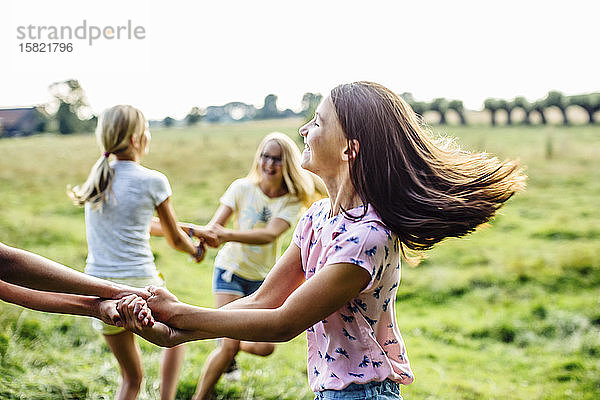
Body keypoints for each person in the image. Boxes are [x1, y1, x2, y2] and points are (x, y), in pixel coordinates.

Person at [117, 82, 527, 400]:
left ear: (350, 149)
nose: (304, 130)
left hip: (364, 393)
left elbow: (284, 322)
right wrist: (178, 324)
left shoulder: (368, 237)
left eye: (317, 121)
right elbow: (264, 300)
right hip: (330, 389)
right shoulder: (317, 217)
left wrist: (183, 319)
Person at [67, 105, 214, 400]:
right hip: (140, 284)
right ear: (136, 139)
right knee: (178, 337)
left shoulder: (98, 179)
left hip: (99, 291)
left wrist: (194, 229)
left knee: (131, 379)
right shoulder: (153, 180)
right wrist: (195, 251)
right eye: (146, 129)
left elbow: (143, 224)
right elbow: (173, 238)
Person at [188, 132, 322, 399]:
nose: (269, 164)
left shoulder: (291, 199)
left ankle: (229, 342)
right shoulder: (241, 188)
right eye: (265, 156)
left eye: (277, 159)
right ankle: (200, 395)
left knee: (265, 347)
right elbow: (215, 228)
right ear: (258, 158)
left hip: (263, 279)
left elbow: (269, 234)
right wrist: (202, 242)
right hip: (231, 270)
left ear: (288, 164)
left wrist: (225, 235)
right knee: (227, 347)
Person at [0, 241, 153, 326]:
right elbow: (6, 263)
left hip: (101, 274)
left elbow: (4, 283)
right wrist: (113, 291)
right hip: (139, 276)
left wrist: (96, 307)